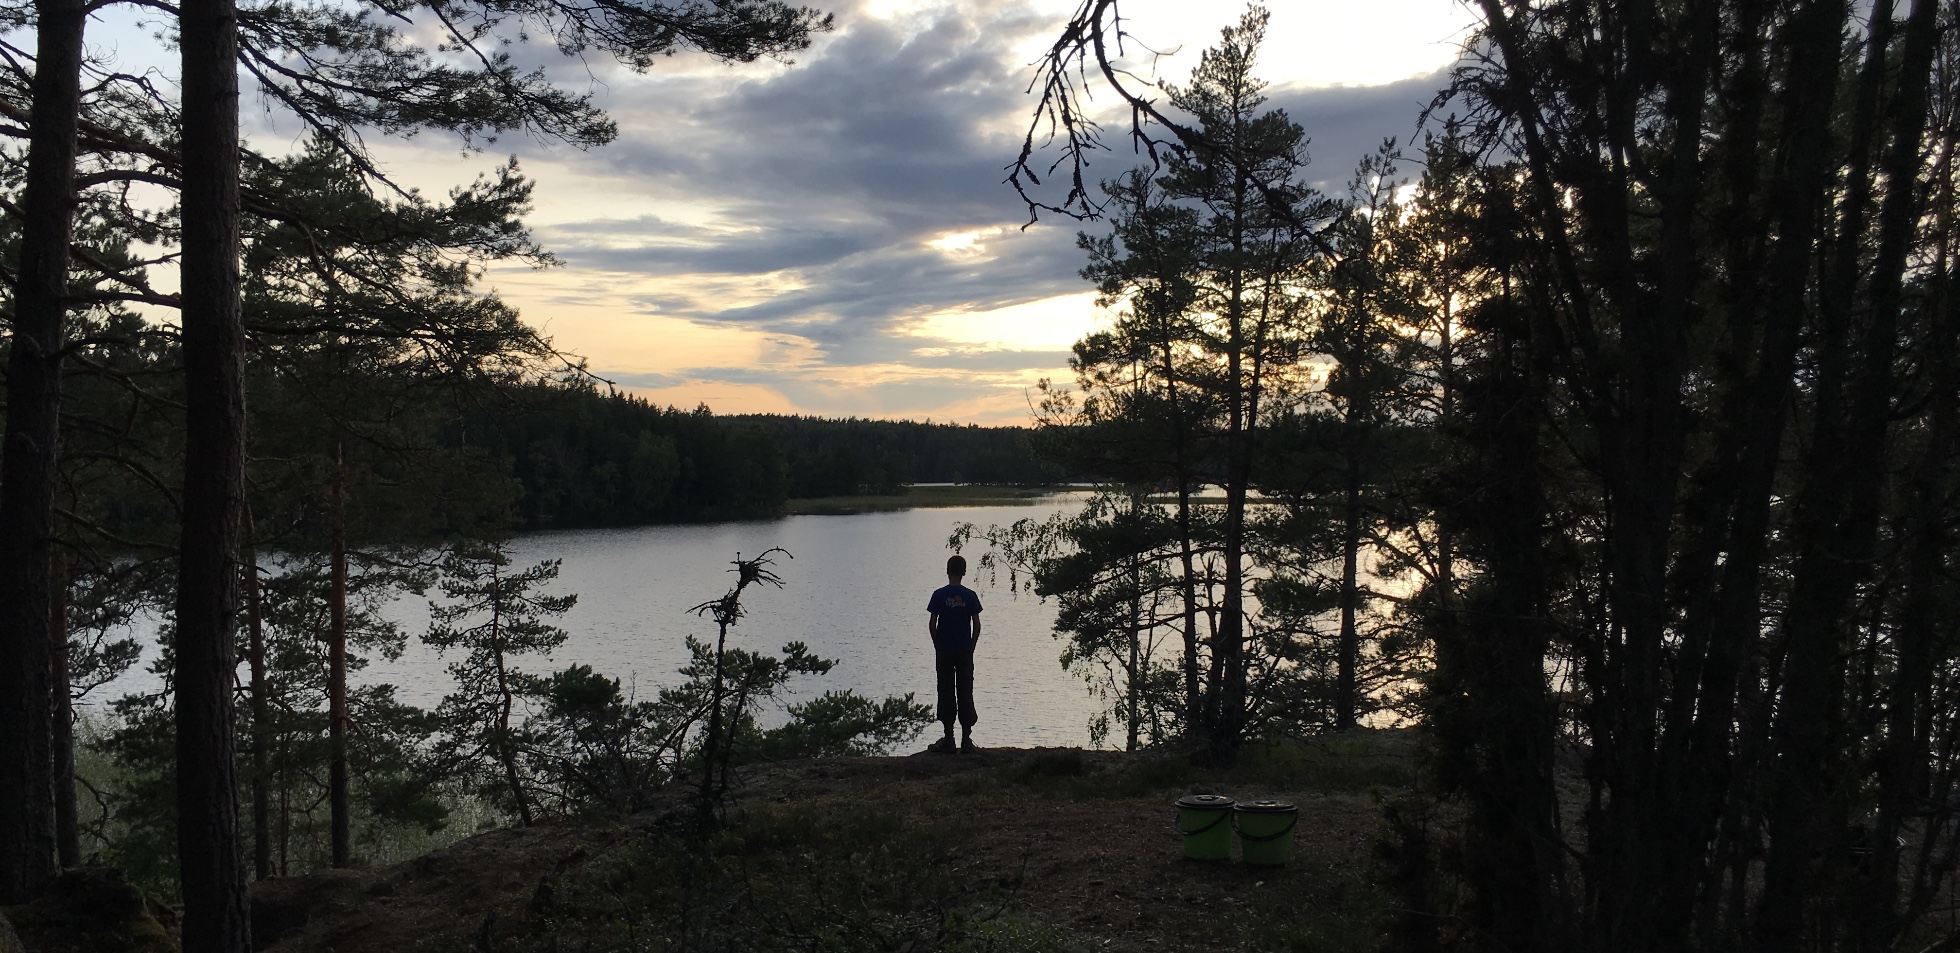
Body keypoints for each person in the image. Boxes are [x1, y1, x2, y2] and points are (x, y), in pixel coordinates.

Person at [926, 554, 983, 753]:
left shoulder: (938, 595)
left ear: (947, 571)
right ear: (964, 572)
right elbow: (976, 624)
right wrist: (971, 646)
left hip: (945, 651)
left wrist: (937, 645)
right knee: (965, 690)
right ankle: (966, 739)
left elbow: (932, 624)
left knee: (946, 690)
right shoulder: (970, 596)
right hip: (964, 651)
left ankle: (949, 738)